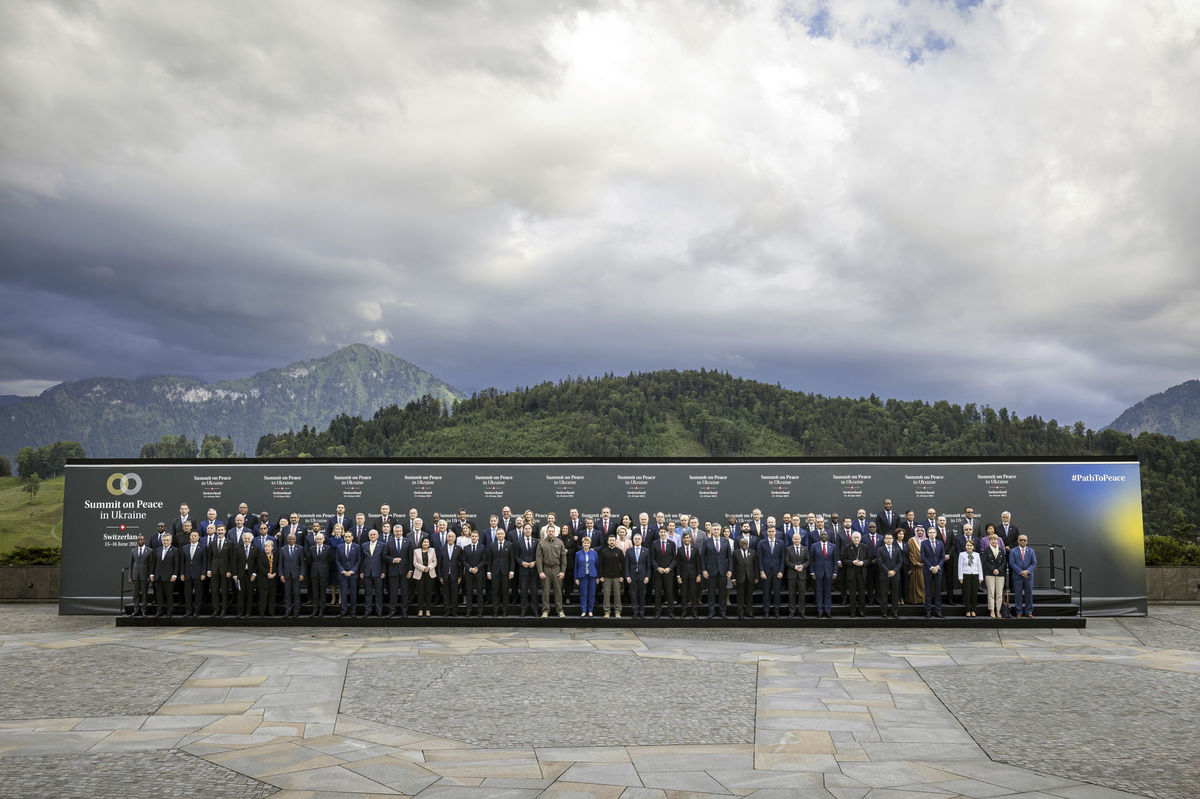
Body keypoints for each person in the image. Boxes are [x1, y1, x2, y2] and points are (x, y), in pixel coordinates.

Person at [536, 525, 567, 618]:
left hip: (557, 569)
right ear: (546, 532)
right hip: (546, 570)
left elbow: (563, 559)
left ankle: (560, 610)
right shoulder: (541, 543)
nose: (550, 533)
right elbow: (538, 559)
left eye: (552, 531)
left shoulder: (560, 542)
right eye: (549, 531)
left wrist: (562, 571)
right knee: (545, 592)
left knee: (558, 591)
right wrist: (540, 571)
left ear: (555, 532)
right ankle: (545, 611)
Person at [703, 524, 732, 619]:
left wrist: (730, 570)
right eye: (714, 529)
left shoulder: (725, 541)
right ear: (711, 530)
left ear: (720, 531)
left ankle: (722, 612)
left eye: (718, 529)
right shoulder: (706, 541)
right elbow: (702, 558)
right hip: (711, 572)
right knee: (711, 593)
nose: (716, 531)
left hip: (723, 571)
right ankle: (711, 611)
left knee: (723, 593)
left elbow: (730, 558)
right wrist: (704, 570)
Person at [383, 525, 413, 618]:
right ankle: (392, 610)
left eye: (400, 531)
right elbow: (384, 555)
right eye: (397, 531)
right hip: (393, 571)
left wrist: (410, 570)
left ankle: (404, 611)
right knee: (393, 592)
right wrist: (392, 560)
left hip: (405, 571)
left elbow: (410, 558)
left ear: (402, 531)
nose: (398, 533)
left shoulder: (408, 542)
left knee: (404, 592)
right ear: (394, 532)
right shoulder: (389, 542)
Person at [809, 529, 838, 618]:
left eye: (825, 535)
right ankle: (820, 611)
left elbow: (835, 561)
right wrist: (812, 572)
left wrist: (835, 572)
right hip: (818, 573)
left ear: (827, 536)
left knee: (828, 593)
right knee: (819, 593)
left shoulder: (833, 546)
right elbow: (811, 560)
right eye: (822, 535)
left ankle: (828, 611)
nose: (824, 536)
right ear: (819, 536)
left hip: (829, 573)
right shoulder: (814, 546)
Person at [757, 524, 784, 618]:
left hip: (777, 572)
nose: (771, 533)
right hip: (766, 572)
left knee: (777, 592)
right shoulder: (762, 542)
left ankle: (776, 611)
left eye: (773, 531)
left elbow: (782, 559)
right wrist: (761, 571)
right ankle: (766, 611)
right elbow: (759, 558)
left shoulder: (780, 542)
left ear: (775, 532)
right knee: (766, 592)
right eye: (769, 532)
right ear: (766, 533)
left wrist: (781, 571)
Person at [150, 532, 180, 618]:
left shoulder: (175, 550)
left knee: (169, 595)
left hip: (169, 577)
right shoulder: (157, 550)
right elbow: (153, 563)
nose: (165, 542)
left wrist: (174, 575)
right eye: (164, 540)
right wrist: (152, 574)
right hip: (158, 576)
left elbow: (176, 564)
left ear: (170, 541)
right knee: (159, 596)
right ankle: (159, 611)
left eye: (167, 540)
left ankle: (169, 611)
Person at [487, 527, 515, 617]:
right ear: (496, 535)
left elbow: (512, 559)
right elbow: (490, 560)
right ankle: (495, 610)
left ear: (504, 535)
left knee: (505, 591)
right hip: (494, 572)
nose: (500, 535)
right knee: (495, 591)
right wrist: (488, 572)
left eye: (501, 534)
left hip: (506, 572)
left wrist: (512, 571)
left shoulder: (510, 545)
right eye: (498, 534)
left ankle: (504, 611)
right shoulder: (492, 545)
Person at [180, 529, 207, 617]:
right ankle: (188, 611)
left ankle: (196, 611)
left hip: (198, 574)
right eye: (192, 536)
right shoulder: (185, 547)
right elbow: (182, 562)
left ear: (198, 537)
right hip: (187, 574)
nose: (193, 537)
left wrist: (203, 573)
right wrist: (182, 573)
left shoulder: (203, 547)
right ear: (190, 537)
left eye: (195, 536)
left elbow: (204, 562)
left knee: (198, 594)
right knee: (187, 594)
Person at [876, 532, 903, 619]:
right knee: (884, 595)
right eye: (887, 538)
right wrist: (888, 571)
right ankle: (884, 613)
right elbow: (880, 563)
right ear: (884, 540)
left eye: (890, 538)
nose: (889, 540)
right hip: (884, 576)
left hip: (895, 575)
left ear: (893, 539)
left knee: (895, 595)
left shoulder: (897, 549)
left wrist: (894, 571)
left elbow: (900, 562)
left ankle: (895, 612)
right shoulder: (880, 550)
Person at [675, 531, 703, 619]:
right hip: (683, 576)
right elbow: (678, 564)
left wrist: (699, 575)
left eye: (688, 537)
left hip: (693, 575)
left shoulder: (695, 549)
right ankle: (684, 612)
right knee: (683, 594)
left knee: (694, 594)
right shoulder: (680, 550)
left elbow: (698, 563)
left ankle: (694, 612)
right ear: (683, 539)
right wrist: (678, 576)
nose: (686, 539)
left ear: (690, 539)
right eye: (685, 538)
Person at [651, 525, 676, 618]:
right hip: (658, 573)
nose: (662, 533)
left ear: (667, 533)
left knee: (669, 592)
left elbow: (674, 559)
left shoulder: (672, 543)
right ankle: (658, 611)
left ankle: (670, 611)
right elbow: (652, 558)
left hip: (668, 572)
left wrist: (669, 568)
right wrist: (658, 568)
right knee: (657, 593)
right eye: (661, 532)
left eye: (664, 532)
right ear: (659, 533)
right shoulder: (654, 543)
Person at [461, 528, 488, 616]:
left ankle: (480, 611)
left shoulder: (482, 547)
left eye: (475, 536)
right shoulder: (466, 548)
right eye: (472, 536)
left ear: (478, 537)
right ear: (470, 537)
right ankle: (469, 610)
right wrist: (470, 568)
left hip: (479, 573)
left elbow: (484, 560)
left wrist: (476, 568)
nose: (474, 537)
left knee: (480, 592)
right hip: (469, 573)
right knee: (469, 592)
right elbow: (463, 561)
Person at [1009, 534, 1037, 618]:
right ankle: (1019, 612)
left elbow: (1034, 563)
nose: (1022, 541)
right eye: (1021, 540)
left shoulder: (1031, 551)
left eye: (1024, 540)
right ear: (1018, 541)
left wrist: (1027, 571)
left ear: (1027, 542)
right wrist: (1021, 572)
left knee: (1029, 594)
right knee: (1018, 595)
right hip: (1017, 577)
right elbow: (1012, 563)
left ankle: (1029, 612)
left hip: (1028, 577)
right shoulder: (1013, 551)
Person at [359, 528, 386, 617]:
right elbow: (362, 560)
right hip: (367, 572)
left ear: (378, 536)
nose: (372, 536)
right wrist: (362, 571)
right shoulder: (364, 545)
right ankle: (368, 611)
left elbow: (384, 560)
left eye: (374, 534)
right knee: (368, 593)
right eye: (371, 535)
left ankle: (379, 611)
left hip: (378, 572)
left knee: (379, 593)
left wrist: (383, 572)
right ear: (368, 536)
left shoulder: (382, 545)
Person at [516, 522, 540, 617]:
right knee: (524, 591)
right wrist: (522, 562)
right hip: (523, 570)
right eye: (525, 528)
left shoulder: (536, 541)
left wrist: (535, 562)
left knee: (534, 591)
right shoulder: (518, 542)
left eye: (529, 528)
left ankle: (535, 609)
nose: (527, 530)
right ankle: (523, 609)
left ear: (531, 530)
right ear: (523, 530)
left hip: (534, 570)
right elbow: (516, 556)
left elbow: (539, 556)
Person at [625, 532, 651, 619]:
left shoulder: (646, 550)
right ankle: (635, 611)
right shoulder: (629, 551)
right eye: (635, 539)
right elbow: (626, 565)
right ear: (633, 540)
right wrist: (627, 576)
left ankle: (642, 612)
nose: (637, 540)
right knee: (633, 594)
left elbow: (648, 565)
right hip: (632, 576)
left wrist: (647, 576)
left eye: (638, 539)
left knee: (642, 594)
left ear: (641, 540)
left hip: (643, 576)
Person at [598, 533, 625, 618]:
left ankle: (617, 612)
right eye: (610, 540)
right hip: (606, 577)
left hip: (617, 577)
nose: (612, 542)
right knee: (606, 595)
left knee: (617, 595)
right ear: (607, 541)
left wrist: (622, 576)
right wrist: (601, 576)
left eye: (613, 540)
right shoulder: (603, 551)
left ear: (615, 541)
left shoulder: (619, 551)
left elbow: (623, 565)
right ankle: (607, 612)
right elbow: (600, 565)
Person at [921, 527, 945, 619]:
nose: (931, 534)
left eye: (933, 532)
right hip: (928, 570)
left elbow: (942, 557)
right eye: (930, 532)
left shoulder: (940, 543)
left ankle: (938, 611)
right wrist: (931, 567)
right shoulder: (924, 543)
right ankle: (928, 611)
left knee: (938, 592)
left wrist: (937, 567)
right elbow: (923, 557)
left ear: (936, 533)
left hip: (938, 570)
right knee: (928, 592)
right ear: (927, 534)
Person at [336, 530, 361, 618]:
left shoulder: (357, 547)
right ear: (344, 537)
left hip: (353, 574)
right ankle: (343, 611)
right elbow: (337, 560)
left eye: (349, 537)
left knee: (353, 594)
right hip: (343, 574)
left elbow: (358, 561)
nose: (347, 538)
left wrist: (352, 571)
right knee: (343, 593)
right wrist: (342, 570)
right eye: (346, 537)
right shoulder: (339, 547)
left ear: (352, 538)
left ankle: (353, 612)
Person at [232, 530, 257, 618]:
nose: (246, 540)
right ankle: (240, 611)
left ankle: (248, 612)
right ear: (243, 539)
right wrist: (234, 574)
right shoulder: (237, 548)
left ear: (251, 539)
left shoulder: (255, 548)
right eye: (245, 538)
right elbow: (234, 562)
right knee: (240, 594)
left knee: (250, 594)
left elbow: (257, 563)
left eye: (248, 538)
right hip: (240, 575)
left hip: (250, 575)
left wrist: (254, 574)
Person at [981, 531, 1006, 618]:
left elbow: (1004, 562)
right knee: (991, 593)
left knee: (999, 594)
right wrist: (993, 569)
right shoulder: (987, 550)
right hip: (989, 573)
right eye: (992, 540)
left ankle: (998, 611)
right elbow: (985, 562)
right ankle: (992, 611)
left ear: (998, 541)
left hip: (1000, 574)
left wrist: (999, 569)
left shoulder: (1001, 550)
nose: (994, 541)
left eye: (995, 540)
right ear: (989, 541)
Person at [731, 536, 758, 619]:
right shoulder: (735, 553)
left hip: (750, 578)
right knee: (740, 596)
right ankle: (740, 613)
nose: (744, 544)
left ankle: (749, 612)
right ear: (739, 544)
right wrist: (733, 578)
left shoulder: (753, 552)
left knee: (749, 596)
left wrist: (756, 577)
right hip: (739, 578)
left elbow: (756, 566)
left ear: (748, 544)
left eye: (746, 543)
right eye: (742, 543)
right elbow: (733, 566)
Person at [784, 532, 809, 618]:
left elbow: (808, 561)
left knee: (802, 594)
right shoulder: (788, 549)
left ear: (801, 539)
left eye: (798, 539)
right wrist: (795, 566)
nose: (797, 540)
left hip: (802, 575)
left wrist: (803, 566)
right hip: (791, 575)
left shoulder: (805, 549)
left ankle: (802, 611)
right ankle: (792, 611)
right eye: (795, 539)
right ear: (792, 540)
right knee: (792, 594)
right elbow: (786, 561)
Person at [128, 534, 154, 616]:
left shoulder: (149, 550)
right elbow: (131, 564)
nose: (140, 541)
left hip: (145, 576)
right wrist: (130, 576)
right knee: (135, 594)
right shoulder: (133, 551)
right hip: (135, 576)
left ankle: (144, 610)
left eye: (141, 539)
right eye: (138, 540)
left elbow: (151, 565)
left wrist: (150, 575)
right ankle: (136, 609)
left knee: (144, 594)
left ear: (144, 540)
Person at [307, 531, 332, 618]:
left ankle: (322, 610)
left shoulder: (328, 548)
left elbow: (329, 561)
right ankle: (315, 610)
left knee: (322, 593)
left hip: (323, 574)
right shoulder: (311, 548)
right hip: (314, 573)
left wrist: (324, 570)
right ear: (315, 540)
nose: (319, 540)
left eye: (320, 539)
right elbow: (310, 561)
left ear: (324, 539)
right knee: (315, 593)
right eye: (317, 539)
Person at [958, 538, 983, 617]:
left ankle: (973, 610)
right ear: (965, 546)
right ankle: (967, 610)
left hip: (975, 574)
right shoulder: (962, 554)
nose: (969, 547)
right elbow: (960, 566)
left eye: (971, 545)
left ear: (973, 547)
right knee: (967, 593)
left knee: (974, 593)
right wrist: (960, 577)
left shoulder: (977, 555)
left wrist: (980, 577)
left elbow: (979, 566)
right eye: (967, 545)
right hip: (966, 574)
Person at [574, 535, 599, 617]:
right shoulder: (578, 553)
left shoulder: (594, 553)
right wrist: (576, 578)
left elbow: (597, 565)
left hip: (592, 576)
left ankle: (590, 610)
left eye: (588, 543)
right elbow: (576, 567)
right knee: (583, 594)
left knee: (591, 594)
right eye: (585, 543)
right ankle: (584, 610)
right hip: (582, 576)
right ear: (582, 544)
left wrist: (598, 577)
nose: (586, 544)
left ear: (590, 544)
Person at [440, 530, 463, 616]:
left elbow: (461, 564)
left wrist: (460, 576)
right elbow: (439, 563)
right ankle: (446, 610)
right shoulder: (441, 548)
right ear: (446, 538)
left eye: (452, 537)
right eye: (449, 537)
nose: (450, 538)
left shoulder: (459, 549)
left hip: (455, 575)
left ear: (455, 538)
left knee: (454, 594)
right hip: (445, 575)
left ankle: (454, 611)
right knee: (446, 594)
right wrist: (440, 576)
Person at [412, 537, 437, 616]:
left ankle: (428, 610)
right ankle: (420, 610)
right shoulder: (416, 551)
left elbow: (435, 561)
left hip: (430, 574)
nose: (426, 543)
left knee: (428, 592)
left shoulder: (432, 550)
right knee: (420, 593)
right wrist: (423, 568)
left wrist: (429, 567)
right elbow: (415, 563)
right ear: (421, 543)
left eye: (427, 542)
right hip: (420, 574)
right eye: (424, 542)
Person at [255, 538, 279, 617]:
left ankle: (271, 613)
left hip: (273, 579)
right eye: (265, 546)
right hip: (263, 579)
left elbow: (277, 566)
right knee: (263, 598)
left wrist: (274, 574)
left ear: (272, 547)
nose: (266, 548)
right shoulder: (260, 555)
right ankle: (262, 614)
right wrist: (267, 574)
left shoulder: (276, 555)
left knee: (272, 598)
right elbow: (259, 566)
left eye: (268, 546)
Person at [906, 527, 926, 606]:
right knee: (915, 584)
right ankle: (915, 600)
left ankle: (923, 600)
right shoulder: (911, 540)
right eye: (918, 531)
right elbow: (910, 553)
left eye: (921, 530)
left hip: (925, 567)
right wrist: (916, 563)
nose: (920, 532)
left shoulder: (926, 540)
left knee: (923, 584)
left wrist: (925, 563)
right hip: (914, 567)